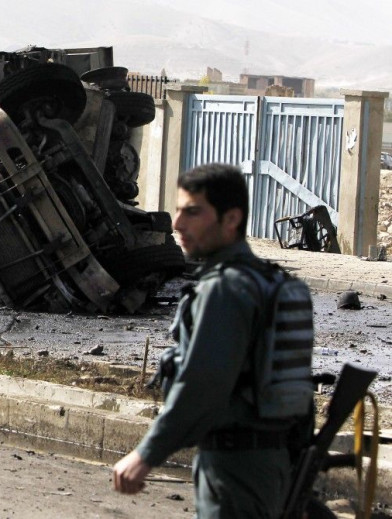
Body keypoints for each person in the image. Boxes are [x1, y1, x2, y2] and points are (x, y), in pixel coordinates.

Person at [112, 163, 310, 518]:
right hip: (274, 462)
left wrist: (146, 454)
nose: (177, 224)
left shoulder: (225, 289)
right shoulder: (271, 281)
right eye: (178, 210)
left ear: (231, 219)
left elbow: (202, 382)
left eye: (193, 212)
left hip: (233, 468)